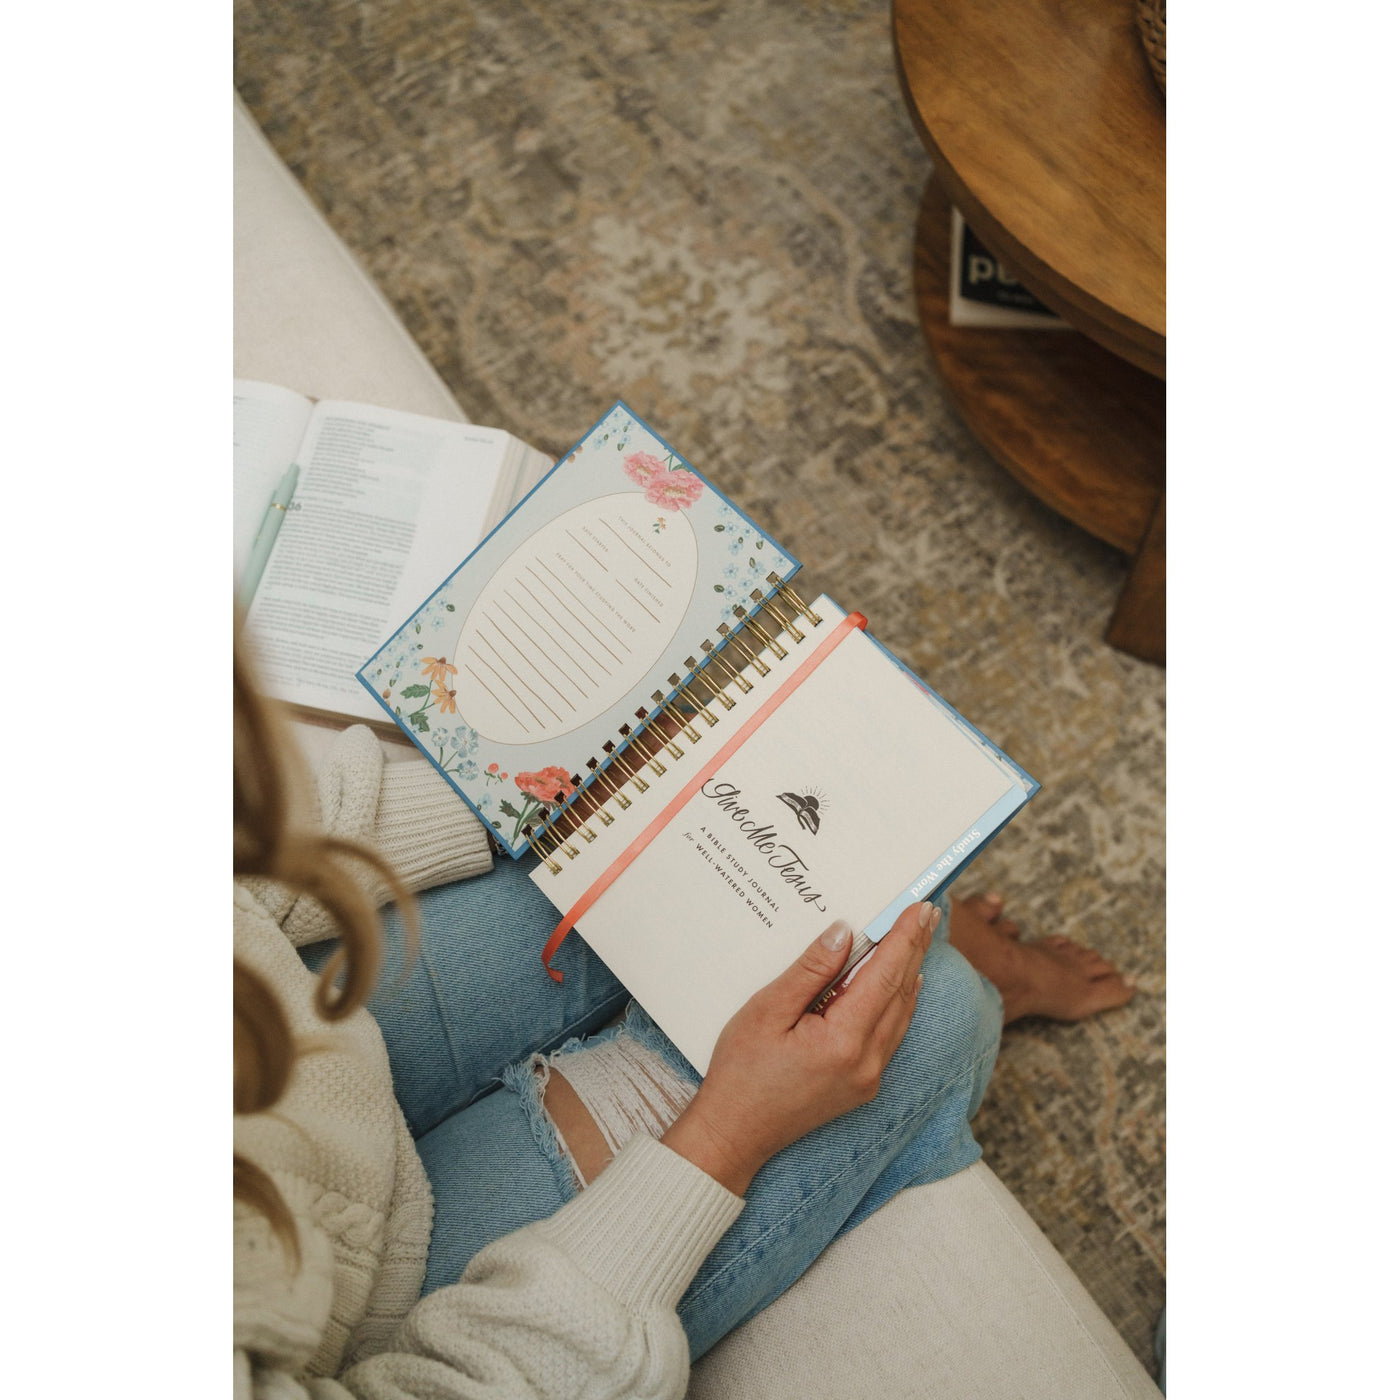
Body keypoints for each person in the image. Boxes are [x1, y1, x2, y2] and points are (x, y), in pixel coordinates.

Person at [234, 635, 1135, 1399]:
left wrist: (543, 792)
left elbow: (237, 845)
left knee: (648, 841)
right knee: (927, 1007)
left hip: (277, 1024)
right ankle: (978, 984)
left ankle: (899, 928)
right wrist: (726, 1137)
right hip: (352, 1302)